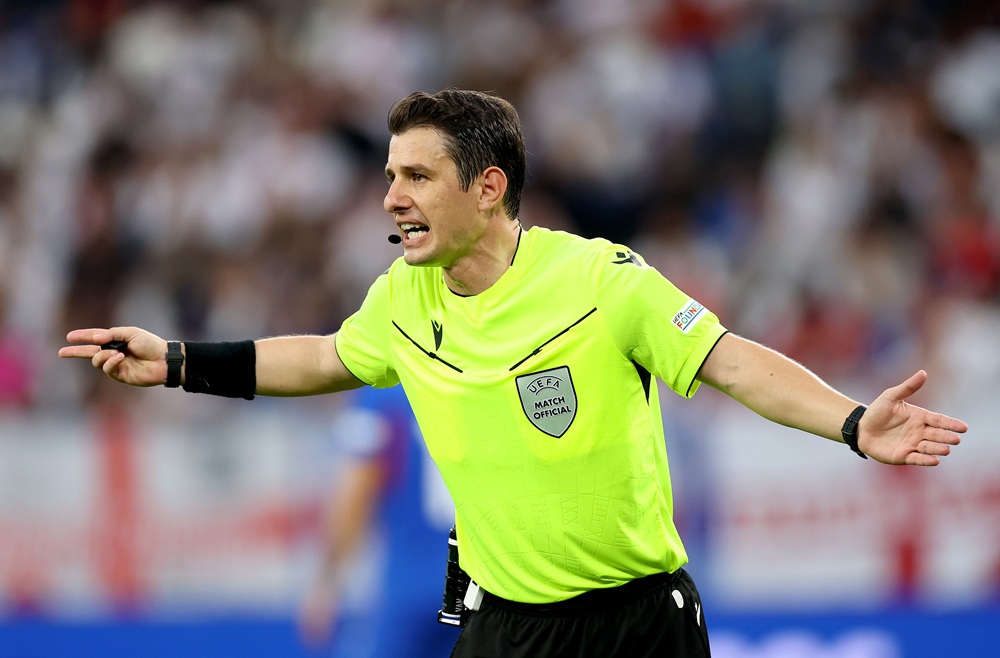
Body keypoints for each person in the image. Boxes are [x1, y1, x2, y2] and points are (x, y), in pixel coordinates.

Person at [60, 89, 968, 657]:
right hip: (500, 626)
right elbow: (327, 357)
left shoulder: (602, 280)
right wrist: (178, 361)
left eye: (418, 176)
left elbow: (731, 361)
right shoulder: (402, 296)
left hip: (635, 622)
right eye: (390, 176)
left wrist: (854, 422)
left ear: (488, 188)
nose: (391, 198)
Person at [298, 384, 459, 657]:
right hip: (481, 585)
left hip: (410, 585)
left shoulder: (383, 393)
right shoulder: (481, 380)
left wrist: (327, 581)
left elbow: (354, 496)